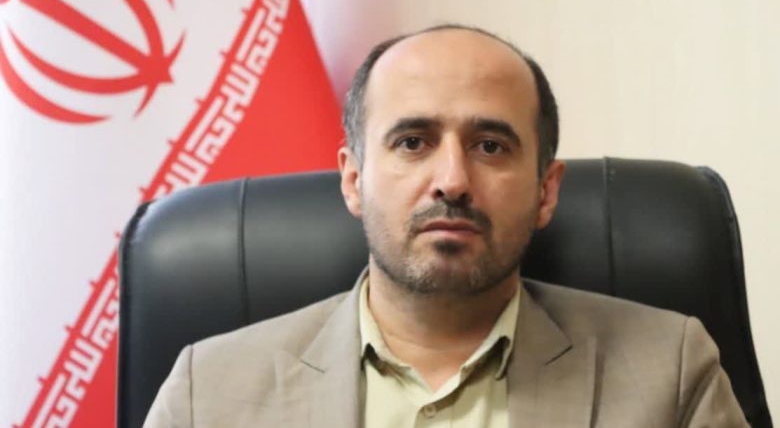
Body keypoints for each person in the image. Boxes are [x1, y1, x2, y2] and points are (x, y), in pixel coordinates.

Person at [143, 24, 748, 427]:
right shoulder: (209, 392)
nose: (453, 180)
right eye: (413, 142)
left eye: (490, 146)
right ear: (353, 180)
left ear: (546, 190)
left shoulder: (669, 372)